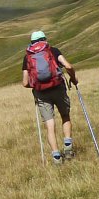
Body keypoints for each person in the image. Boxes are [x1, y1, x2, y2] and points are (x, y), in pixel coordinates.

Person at [22, 31, 78, 164]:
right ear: (44, 39)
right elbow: (68, 66)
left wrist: (37, 85)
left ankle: (56, 156)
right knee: (65, 115)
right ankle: (68, 148)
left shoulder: (28, 57)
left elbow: (25, 82)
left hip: (41, 93)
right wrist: (73, 78)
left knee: (50, 125)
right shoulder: (52, 51)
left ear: (32, 43)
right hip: (58, 88)